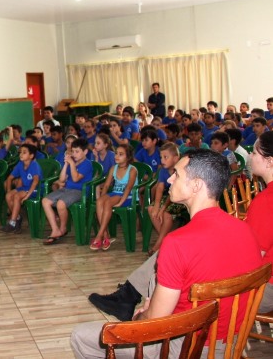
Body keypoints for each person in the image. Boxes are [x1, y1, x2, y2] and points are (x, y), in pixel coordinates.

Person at [72, 149, 263, 359]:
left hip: (188, 347)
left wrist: (140, 316)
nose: (170, 179)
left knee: (81, 336)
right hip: (231, 343)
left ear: (196, 185)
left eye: (177, 175)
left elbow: (153, 323)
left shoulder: (177, 242)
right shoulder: (245, 229)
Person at [42, 138, 93, 245]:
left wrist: (72, 164)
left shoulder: (87, 164)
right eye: (73, 151)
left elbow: (75, 178)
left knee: (61, 203)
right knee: (45, 201)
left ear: (85, 152)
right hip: (67, 189)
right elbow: (61, 180)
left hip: (79, 191)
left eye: (77, 151)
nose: (74, 154)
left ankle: (63, 228)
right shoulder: (72, 163)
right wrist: (66, 164)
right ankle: (55, 229)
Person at [245, 131, 273, 312]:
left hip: (266, 286)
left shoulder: (266, 200)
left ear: (269, 161)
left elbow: (253, 255)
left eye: (254, 152)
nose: (250, 156)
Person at [90, 144, 137, 251]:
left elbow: (128, 188)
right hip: (115, 193)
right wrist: (101, 200)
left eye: (121, 154)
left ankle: (99, 236)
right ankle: (106, 236)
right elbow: (106, 185)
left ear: (128, 157)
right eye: (116, 153)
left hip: (127, 196)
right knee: (99, 201)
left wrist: (121, 202)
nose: (116, 156)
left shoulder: (132, 170)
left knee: (108, 202)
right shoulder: (113, 168)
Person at [146, 143, 181, 256]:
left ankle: (158, 245)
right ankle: (166, 240)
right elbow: (160, 188)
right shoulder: (163, 171)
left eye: (166, 157)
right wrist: (156, 206)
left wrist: (162, 209)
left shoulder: (180, 170)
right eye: (161, 157)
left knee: (166, 214)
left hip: (181, 199)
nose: (162, 160)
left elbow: (174, 194)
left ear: (175, 158)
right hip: (169, 197)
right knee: (151, 209)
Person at [1, 144, 41, 234]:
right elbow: (9, 178)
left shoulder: (34, 165)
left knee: (17, 196)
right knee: (8, 196)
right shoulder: (20, 164)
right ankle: (18, 217)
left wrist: (28, 195)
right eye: (20, 152)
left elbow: (35, 181)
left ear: (31, 155)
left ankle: (12, 222)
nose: (21, 154)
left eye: (24, 152)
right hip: (25, 188)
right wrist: (9, 191)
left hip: (35, 190)